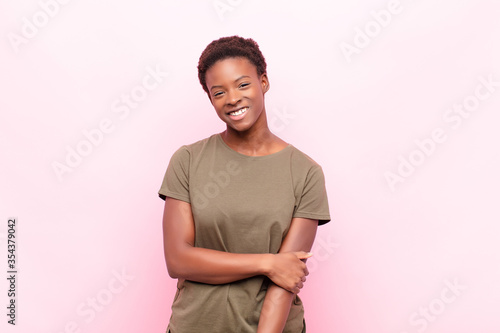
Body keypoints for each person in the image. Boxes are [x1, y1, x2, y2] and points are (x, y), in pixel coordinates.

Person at [158, 35, 331, 333]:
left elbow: (286, 280)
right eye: (218, 92)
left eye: (242, 84)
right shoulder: (187, 160)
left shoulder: (305, 172)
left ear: (263, 82)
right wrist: (267, 263)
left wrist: (279, 268)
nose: (233, 98)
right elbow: (178, 260)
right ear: (210, 98)